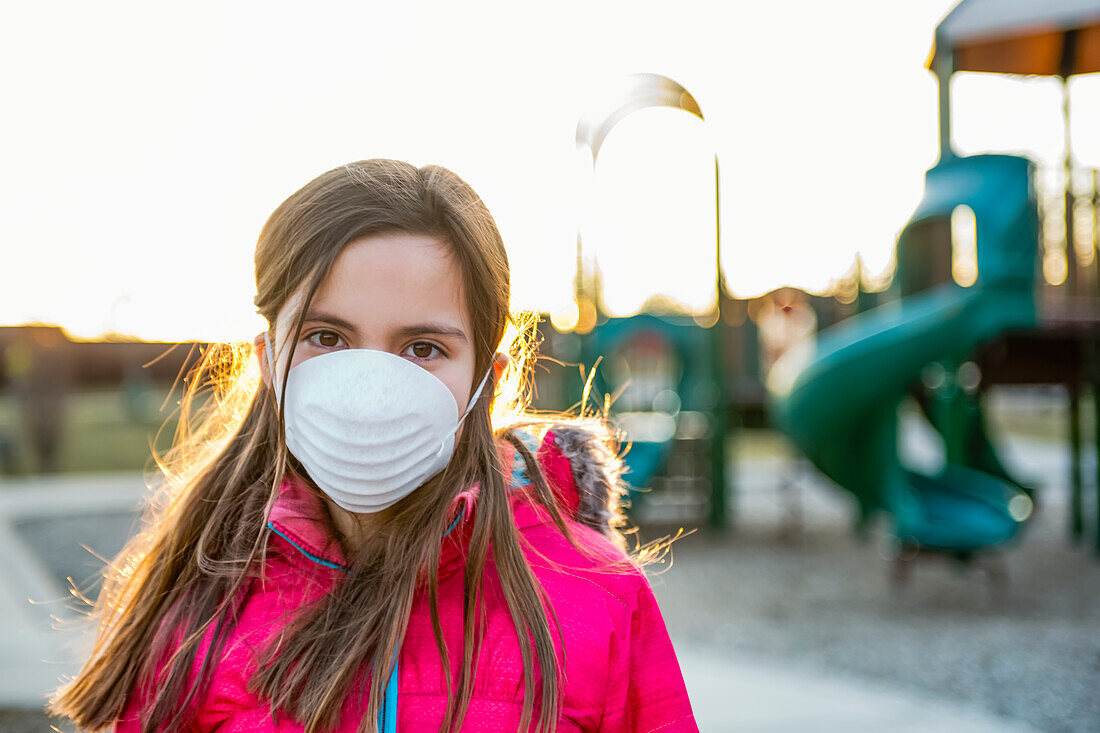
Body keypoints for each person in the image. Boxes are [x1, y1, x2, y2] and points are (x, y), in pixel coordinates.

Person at [49, 159, 698, 732]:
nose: (371, 388)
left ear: (485, 381)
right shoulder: (199, 607)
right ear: (269, 361)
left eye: (423, 347)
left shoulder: (599, 596)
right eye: (328, 337)